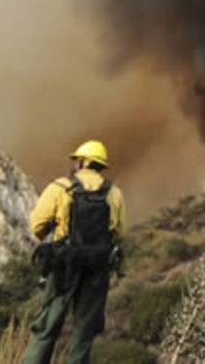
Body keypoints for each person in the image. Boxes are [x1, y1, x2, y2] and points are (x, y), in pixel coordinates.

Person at [22, 140, 125, 364]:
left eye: (77, 160)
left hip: (63, 268)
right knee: (83, 333)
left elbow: (36, 226)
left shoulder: (60, 187)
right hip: (96, 271)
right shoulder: (114, 194)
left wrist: (55, 228)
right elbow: (118, 232)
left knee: (46, 328)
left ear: (83, 162)